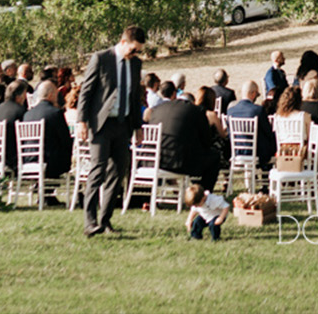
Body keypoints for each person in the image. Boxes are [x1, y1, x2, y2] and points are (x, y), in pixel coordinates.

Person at [76, 24, 146, 237]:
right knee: (97, 171)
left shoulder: (135, 65)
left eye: (139, 51)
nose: (136, 54)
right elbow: (86, 92)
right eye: (133, 49)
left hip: (123, 124)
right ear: (123, 42)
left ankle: (105, 221)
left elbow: (135, 98)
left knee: (118, 173)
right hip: (102, 123)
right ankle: (90, 222)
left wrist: (137, 126)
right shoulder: (101, 58)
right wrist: (82, 121)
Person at [150, 81, 218, 189]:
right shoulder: (196, 111)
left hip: (152, 160)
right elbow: (207, 141)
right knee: (214, 157)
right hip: (177, 163)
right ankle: (203, 194)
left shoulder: (157, 109)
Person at [23, 80, 73, 205]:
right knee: (63, 154)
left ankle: (44, 192)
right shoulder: (55, 113)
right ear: (51, 95)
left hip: (28, 158)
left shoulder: (28, 114)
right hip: (49, 161)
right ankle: (48, 194)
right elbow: (65, 139)